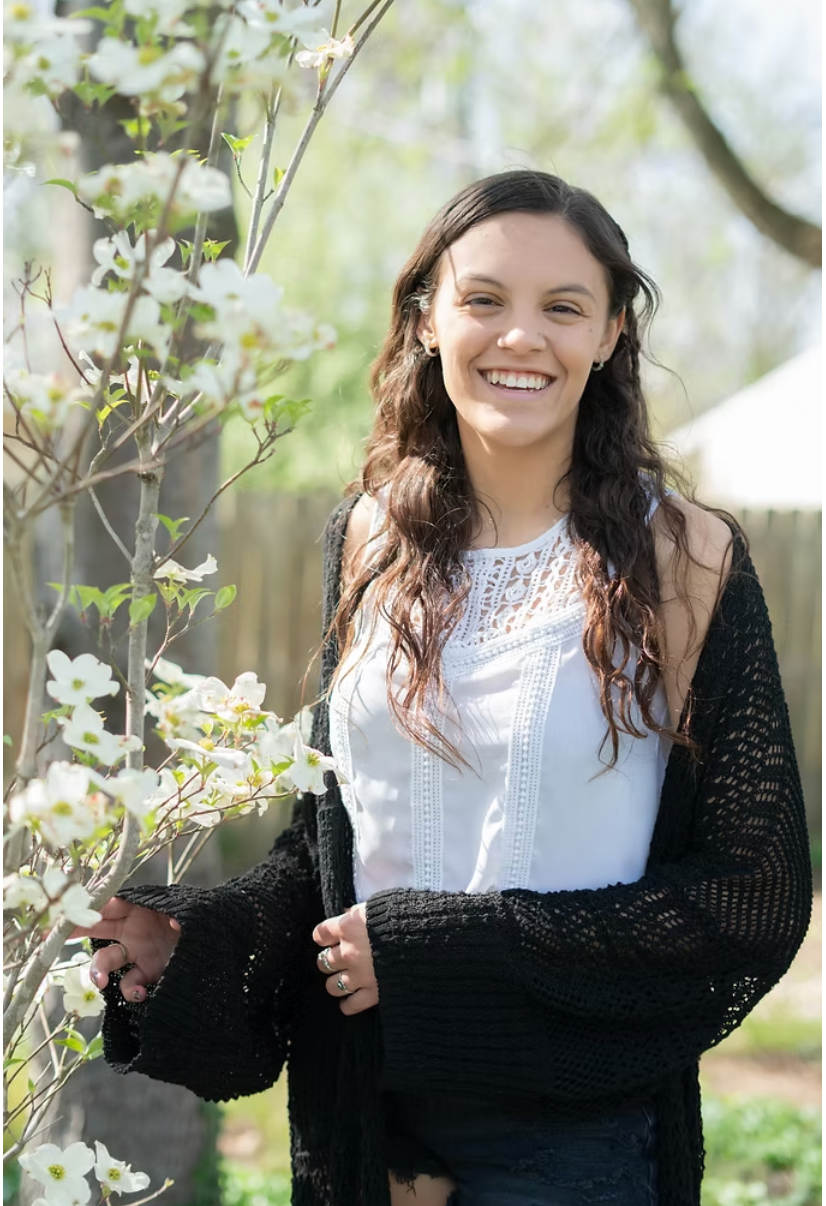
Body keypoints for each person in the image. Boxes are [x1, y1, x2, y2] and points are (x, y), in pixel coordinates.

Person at [80, 171, 812, 1206]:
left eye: (563, 307)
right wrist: (202, 941)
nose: (521, 337)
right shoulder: (370, 538)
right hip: (365, 1119)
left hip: (574, 1139)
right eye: (483, 300)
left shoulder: (683, 560)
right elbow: (331, 846)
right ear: (425, 319)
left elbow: (752, 893)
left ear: (609, 335)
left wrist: (441, 956)